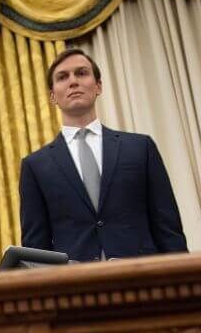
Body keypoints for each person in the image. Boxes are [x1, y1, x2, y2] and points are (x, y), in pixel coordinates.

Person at [19, 49, 187, 261]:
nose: (73, 82)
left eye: (81, 73)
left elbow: (168, 228)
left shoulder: (140, 148)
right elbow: (36, 250)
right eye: (62, 77)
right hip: (77, 288)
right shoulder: (35, 166)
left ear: (98, 86)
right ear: (52, 96)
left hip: (145, 279)